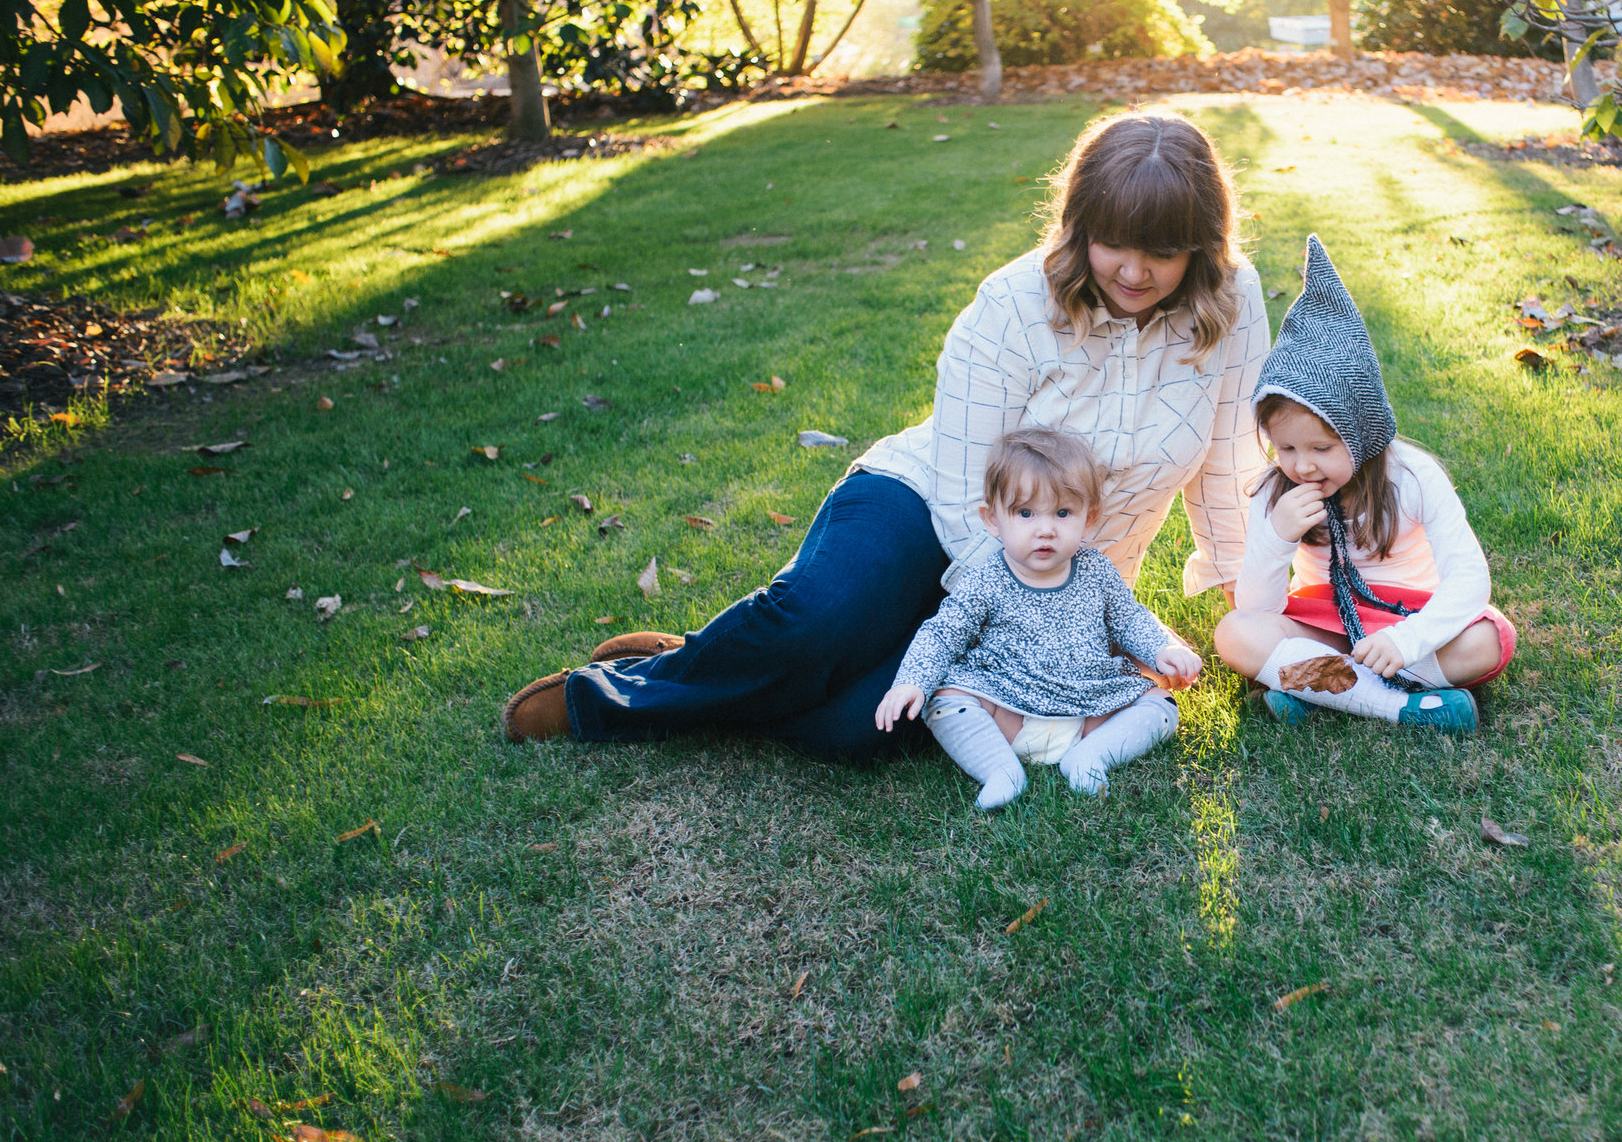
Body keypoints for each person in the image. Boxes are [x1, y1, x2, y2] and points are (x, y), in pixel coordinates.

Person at [498, 110, 1268, 755]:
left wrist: (1247, 597)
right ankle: (606, 698)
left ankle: (721, 659)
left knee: (856, 729)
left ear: (1200, 247)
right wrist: (1020, 623)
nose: (1134, 271)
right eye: (1115, 245)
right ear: (1080, 224)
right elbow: (969, 493)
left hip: (1063, 564)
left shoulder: (1231, 303)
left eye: (1163, 252)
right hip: (927, 504)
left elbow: (1231, 461)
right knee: (816, 624)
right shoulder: (1012, 304)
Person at [1213, 236, 1514, 732]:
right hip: (1326, 623)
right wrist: (1275, 537)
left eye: (1322, 449)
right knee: (1236, 632)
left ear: (1361, 430)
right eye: (1286, 449)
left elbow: (1469, 578)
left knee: (1485, 640)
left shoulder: (1412, 476)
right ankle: (1405, 708)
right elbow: (1259, 607)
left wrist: (1406, 641)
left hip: (1410, 619)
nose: (1303, 467)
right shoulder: (1276, 491)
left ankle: (1321, 690)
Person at [874, 427, 1198, 807]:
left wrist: (1161, 648)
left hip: (1089, 709)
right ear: (993, 520)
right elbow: (942, 635)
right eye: (1025, 513)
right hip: (1007, 710)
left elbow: (1128, 619)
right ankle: (1000, 770)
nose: (1045, 529)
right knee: (943, 698)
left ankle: (1092, 757)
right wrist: (911, 681)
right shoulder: (986, 580)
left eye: (1062, 513)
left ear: (1088, 519)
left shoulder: (1096, 570)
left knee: (1161, 705)